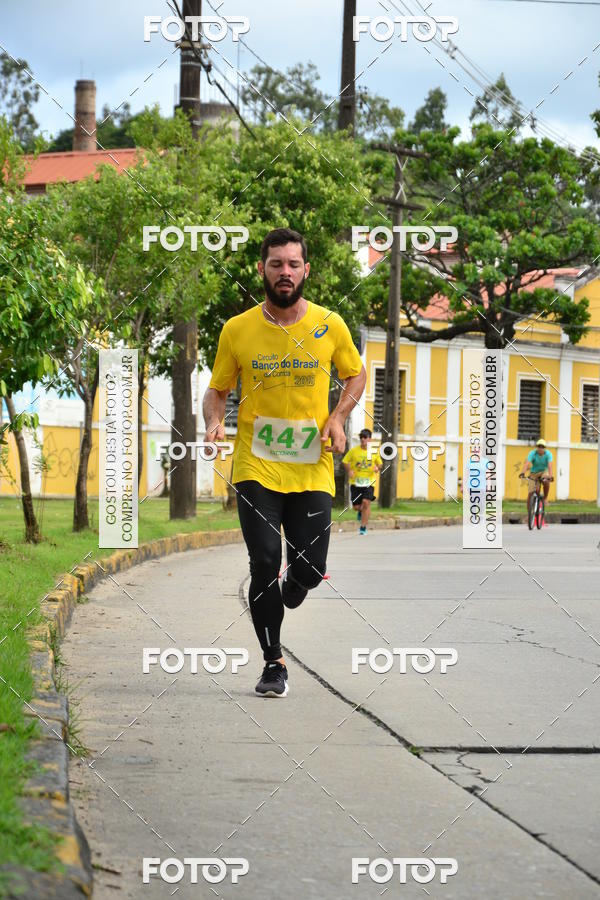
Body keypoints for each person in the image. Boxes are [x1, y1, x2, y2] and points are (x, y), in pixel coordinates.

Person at [202, 227, 366, 697]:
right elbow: (217, 391)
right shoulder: (237, 329)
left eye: (293, 264)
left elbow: (354, 375)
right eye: (276, 264)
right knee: (264, 561)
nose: (285, 272)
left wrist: (338, 417)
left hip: (311, 463)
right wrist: (214, 422)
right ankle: (273, 662)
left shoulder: (329, 325)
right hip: (256, 464)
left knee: (310, 569)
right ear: (262, 269)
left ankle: (297, 583)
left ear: (306, 270)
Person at [342, 428, 382, 534]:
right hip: (355, 482)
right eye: (361, 437)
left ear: (370, 439)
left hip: (369, 482)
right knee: (356, 507)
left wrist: (377, 468)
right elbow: (345, 461)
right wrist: (349, 470)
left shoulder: (373, 452)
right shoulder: (354, 451)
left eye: (365, 437)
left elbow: (380, 464)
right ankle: (362, 511)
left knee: (366, 502)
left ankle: (363, 528)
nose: (363, 439)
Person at [519, 438, 554, 516]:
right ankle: (529, 514)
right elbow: (527, 463)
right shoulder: (532, 453)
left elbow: (550, 466)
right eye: (539, 446)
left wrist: (551, 476)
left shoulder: (548, 454)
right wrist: (522, 473)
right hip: (534, 473)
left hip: (543, 472)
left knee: (546, 480)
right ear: (537, 447)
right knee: (531, 492)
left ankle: (545, 498)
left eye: (542, 447)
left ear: (544, 448)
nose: (540, 448)